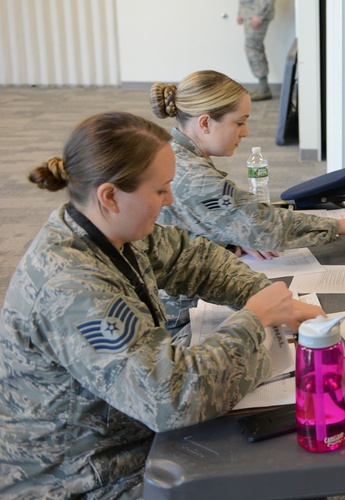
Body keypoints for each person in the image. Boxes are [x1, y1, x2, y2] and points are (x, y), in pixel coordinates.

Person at [0, 112, 324, 497]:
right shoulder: (71, 287)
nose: (170, 199)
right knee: (281, 474)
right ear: (110, 195)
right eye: (160, 190)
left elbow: (195, 260)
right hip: (82, 478)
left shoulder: (108, 227)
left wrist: (267, 299)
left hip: (127, 439)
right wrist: (255, 320)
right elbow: (172, 399)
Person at [150, 70, 345, 328]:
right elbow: (261, 223)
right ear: (205, 123)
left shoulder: (175, 154)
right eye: (239, 123)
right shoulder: (195, 177)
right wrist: (338, 226)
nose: (246, 132)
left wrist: (229, 239)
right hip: (181, 316)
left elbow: (188, 226)